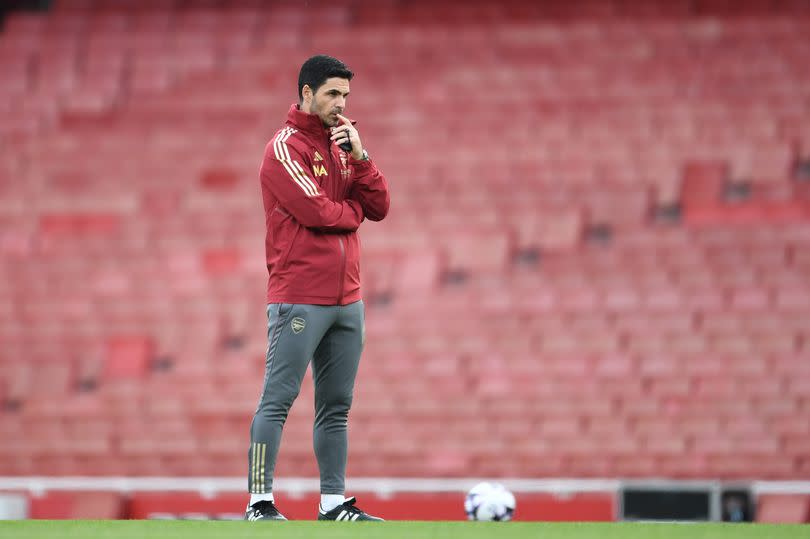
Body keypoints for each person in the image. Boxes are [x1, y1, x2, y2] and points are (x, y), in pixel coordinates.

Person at [245, 55, 390, 522]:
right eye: (332, 93)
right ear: (306, 92)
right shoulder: (283, 148)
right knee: (278, 399)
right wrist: (353, 215)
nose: (341, 104)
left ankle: (332, 503)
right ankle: (259, 502)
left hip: (348, 299)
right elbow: (320, 214)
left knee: (337, 408)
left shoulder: (345, 145)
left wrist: (363, 158)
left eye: (345, 95)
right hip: (299, 296)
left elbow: (381, 205)